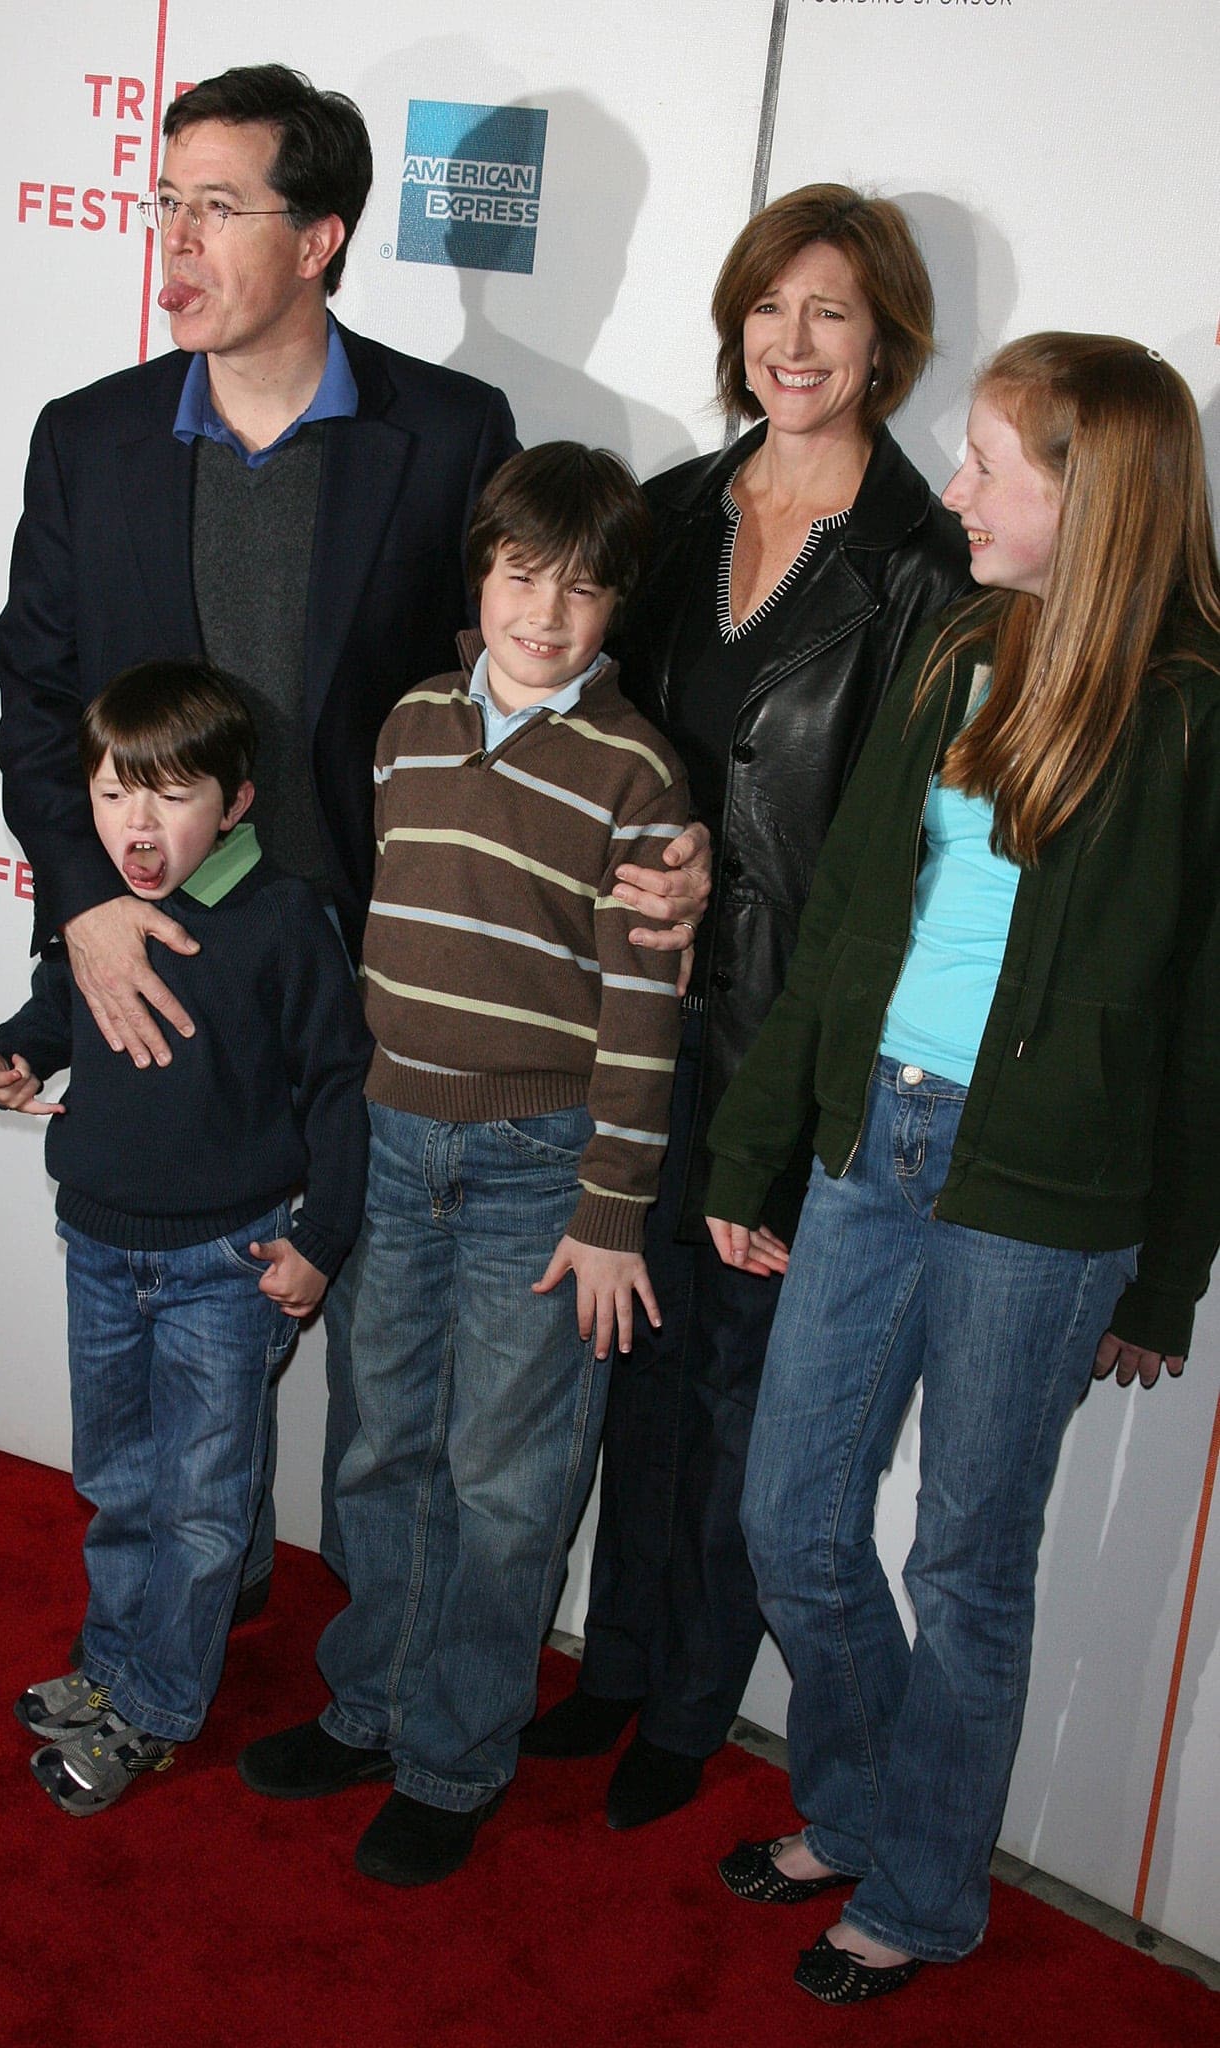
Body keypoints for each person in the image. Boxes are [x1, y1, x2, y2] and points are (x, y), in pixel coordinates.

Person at [704, 333, 1220, 1999]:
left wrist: (1162, 1270)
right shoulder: (953, 650)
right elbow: (849, 916)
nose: (954, 490)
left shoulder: (1196, 721)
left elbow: (1205, 1028)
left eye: (991, 466)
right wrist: (755, 1143)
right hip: (875, 1143)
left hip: (1041, 1205)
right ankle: (856, 1800)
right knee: (791, 1516)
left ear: (1095, 496)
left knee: (964, 1563)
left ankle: (922, 1889)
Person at [0, 62, 520, 1596]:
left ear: (321, 236)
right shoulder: (88, 440)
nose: (176, 240)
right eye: (166, 202)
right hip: (159, 974)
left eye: (218, 207)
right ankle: (169, 1633)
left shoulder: (449, 429)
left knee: (389, 1389)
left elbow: (502, 692)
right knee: (170, 1383)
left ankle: (374, 1682)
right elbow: (36, 701)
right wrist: (84, 899)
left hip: (381, 982)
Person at [521, 185, 970, 1828]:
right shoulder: (660, 517)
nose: (791, 341)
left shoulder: (926, 565)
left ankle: (691, 1701)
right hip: (627, 1017)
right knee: (625, 1357)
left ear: (885, 343)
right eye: (769, 306)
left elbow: (910, 856)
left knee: (735, 1385)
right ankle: (617, 1662)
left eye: (831, 313)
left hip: (788, 1039)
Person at [236, 444, 691, 1886]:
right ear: (477, 575)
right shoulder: (408, 728)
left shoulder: (636, 775)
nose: (543, 615)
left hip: (537, 1177)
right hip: (389, 1138)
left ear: (616, 606)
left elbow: (641, 1012)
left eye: (579, 590)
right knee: (377, 1445)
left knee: (505, 1480)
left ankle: (451, 1756)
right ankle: (365, 1705)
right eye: (517, 577)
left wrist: (611, 1210)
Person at [0, 662, 372, 1813]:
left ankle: (151, 1708)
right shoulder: (97, 909)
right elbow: (55, 1015)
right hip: (96, 1245)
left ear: (236, 801)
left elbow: (339, 1088)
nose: (135, 825)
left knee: (201, 1502)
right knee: (118, 1480)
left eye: (169, 795)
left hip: (226, 1266)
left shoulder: (286, 918)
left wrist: (324, 1239)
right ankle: (110, 1668)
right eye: (110, 795)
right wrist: (5, 1054)